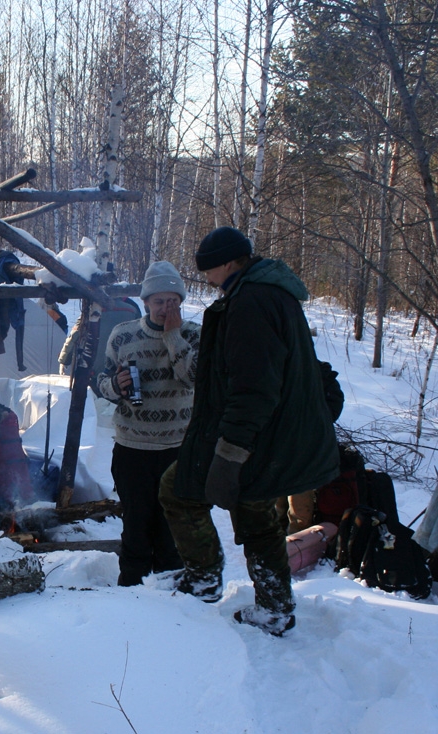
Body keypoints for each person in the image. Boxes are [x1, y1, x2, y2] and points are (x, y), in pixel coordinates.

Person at [159, 226, 338, 635]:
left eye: (208, 267)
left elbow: (254, 387)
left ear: (227, 263)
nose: (205, 276)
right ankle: (272, 605)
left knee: (180, 492)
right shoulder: (269, 294)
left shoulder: (251, 303)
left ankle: (208, 580)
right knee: (255, 518)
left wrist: (231, 452)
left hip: (257, 439)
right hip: (269, 435)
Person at [95, 261, 200, 586]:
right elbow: (101, 380)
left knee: (171, 529)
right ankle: (132, 592)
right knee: (137, 526)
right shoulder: (123, 334)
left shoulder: (194, 334)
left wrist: (173, 336)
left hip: (177, 449)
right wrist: (117, 386)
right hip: (132, 449)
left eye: (173, 302)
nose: (167, 309)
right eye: (159, 302)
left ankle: (170, 596)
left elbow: (192, 377)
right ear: (145, 302)